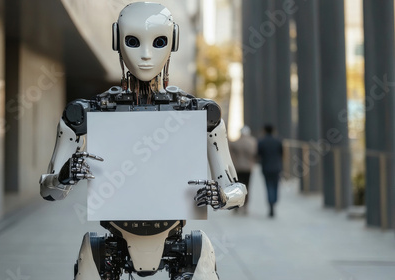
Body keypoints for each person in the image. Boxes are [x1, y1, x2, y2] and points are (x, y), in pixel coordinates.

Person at [38, 2, 247, 279]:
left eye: (158, 42)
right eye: (133, 42)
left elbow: (235, 190)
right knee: (90, 254)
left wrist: (221, 196)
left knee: (203, 256)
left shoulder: (199, 113)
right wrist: (64, 175)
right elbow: (48, 190)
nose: (146, 55)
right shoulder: (86, 113)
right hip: (113, 243)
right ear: (117, 40)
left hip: (177, 242)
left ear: (173, 41)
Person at [229, 125, 257, 213]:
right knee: (247, 186)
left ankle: (236, 205)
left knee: (237, 187)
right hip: (248, 168)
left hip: (237, 167)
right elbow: (254, 154)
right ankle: (245, 206)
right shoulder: (252, 142)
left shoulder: (236, 142)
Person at [257, 124, 283, 218]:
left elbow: (258, 154)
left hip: (266, 167)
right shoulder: (278, 140)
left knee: (268, 186)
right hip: (276, 167)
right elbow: (281, 153)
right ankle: (274, 202)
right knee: (276, 186)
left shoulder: (262, 141)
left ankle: (270, 204)